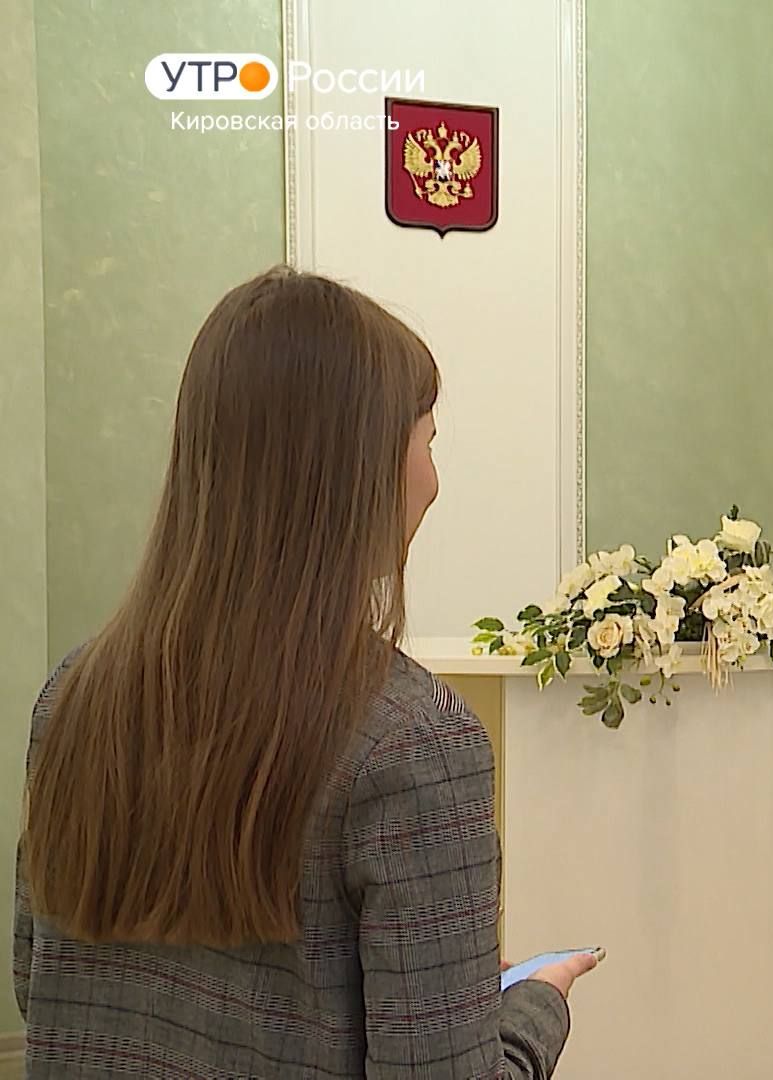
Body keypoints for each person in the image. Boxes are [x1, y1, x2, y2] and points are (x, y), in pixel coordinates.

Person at [13, 267, 595, 1077]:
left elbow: (39, 982)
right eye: (427, 441)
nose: (434, 480)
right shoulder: (416, 745)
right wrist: (534, 1009)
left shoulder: (73, 696)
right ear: (357, 472)